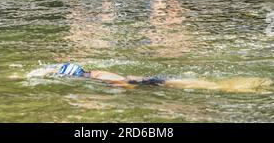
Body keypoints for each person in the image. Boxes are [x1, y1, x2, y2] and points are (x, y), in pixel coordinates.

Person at [27, 61, 271, 93]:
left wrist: (126, 89)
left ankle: (240, 88)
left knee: (214, 87)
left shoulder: (98, 77)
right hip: (153, 79)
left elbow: (122, 82)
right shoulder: (93, 72)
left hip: (156, 82)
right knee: (209, 85)